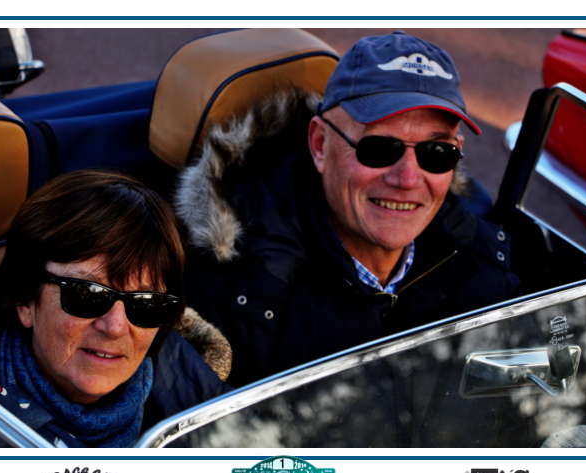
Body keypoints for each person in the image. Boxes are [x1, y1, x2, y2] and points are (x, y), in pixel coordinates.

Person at [179, 31, 521, 387]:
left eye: (436, 153)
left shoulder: (484, 266)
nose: (407, 179)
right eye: (379, 148)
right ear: (320, 145)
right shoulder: (234, 296)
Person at [0, 170, 231, 448]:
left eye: (145, 303)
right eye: (88, 294)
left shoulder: (206, 407)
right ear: (25, 299)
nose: (115, 326)